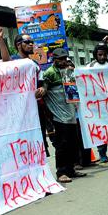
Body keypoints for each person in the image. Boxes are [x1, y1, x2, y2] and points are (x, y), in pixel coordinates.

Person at [39, 48, 86, 183]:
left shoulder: (69, 72)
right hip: (58, 116)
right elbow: (45, 89)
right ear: (54, 59)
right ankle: (61, 172)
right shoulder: (49, 73)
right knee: (62, 145)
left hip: (71, 114)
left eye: (65, 58)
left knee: (72, 143)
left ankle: (71, 170)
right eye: (60, 59)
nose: (63, 61)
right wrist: (42, 90)